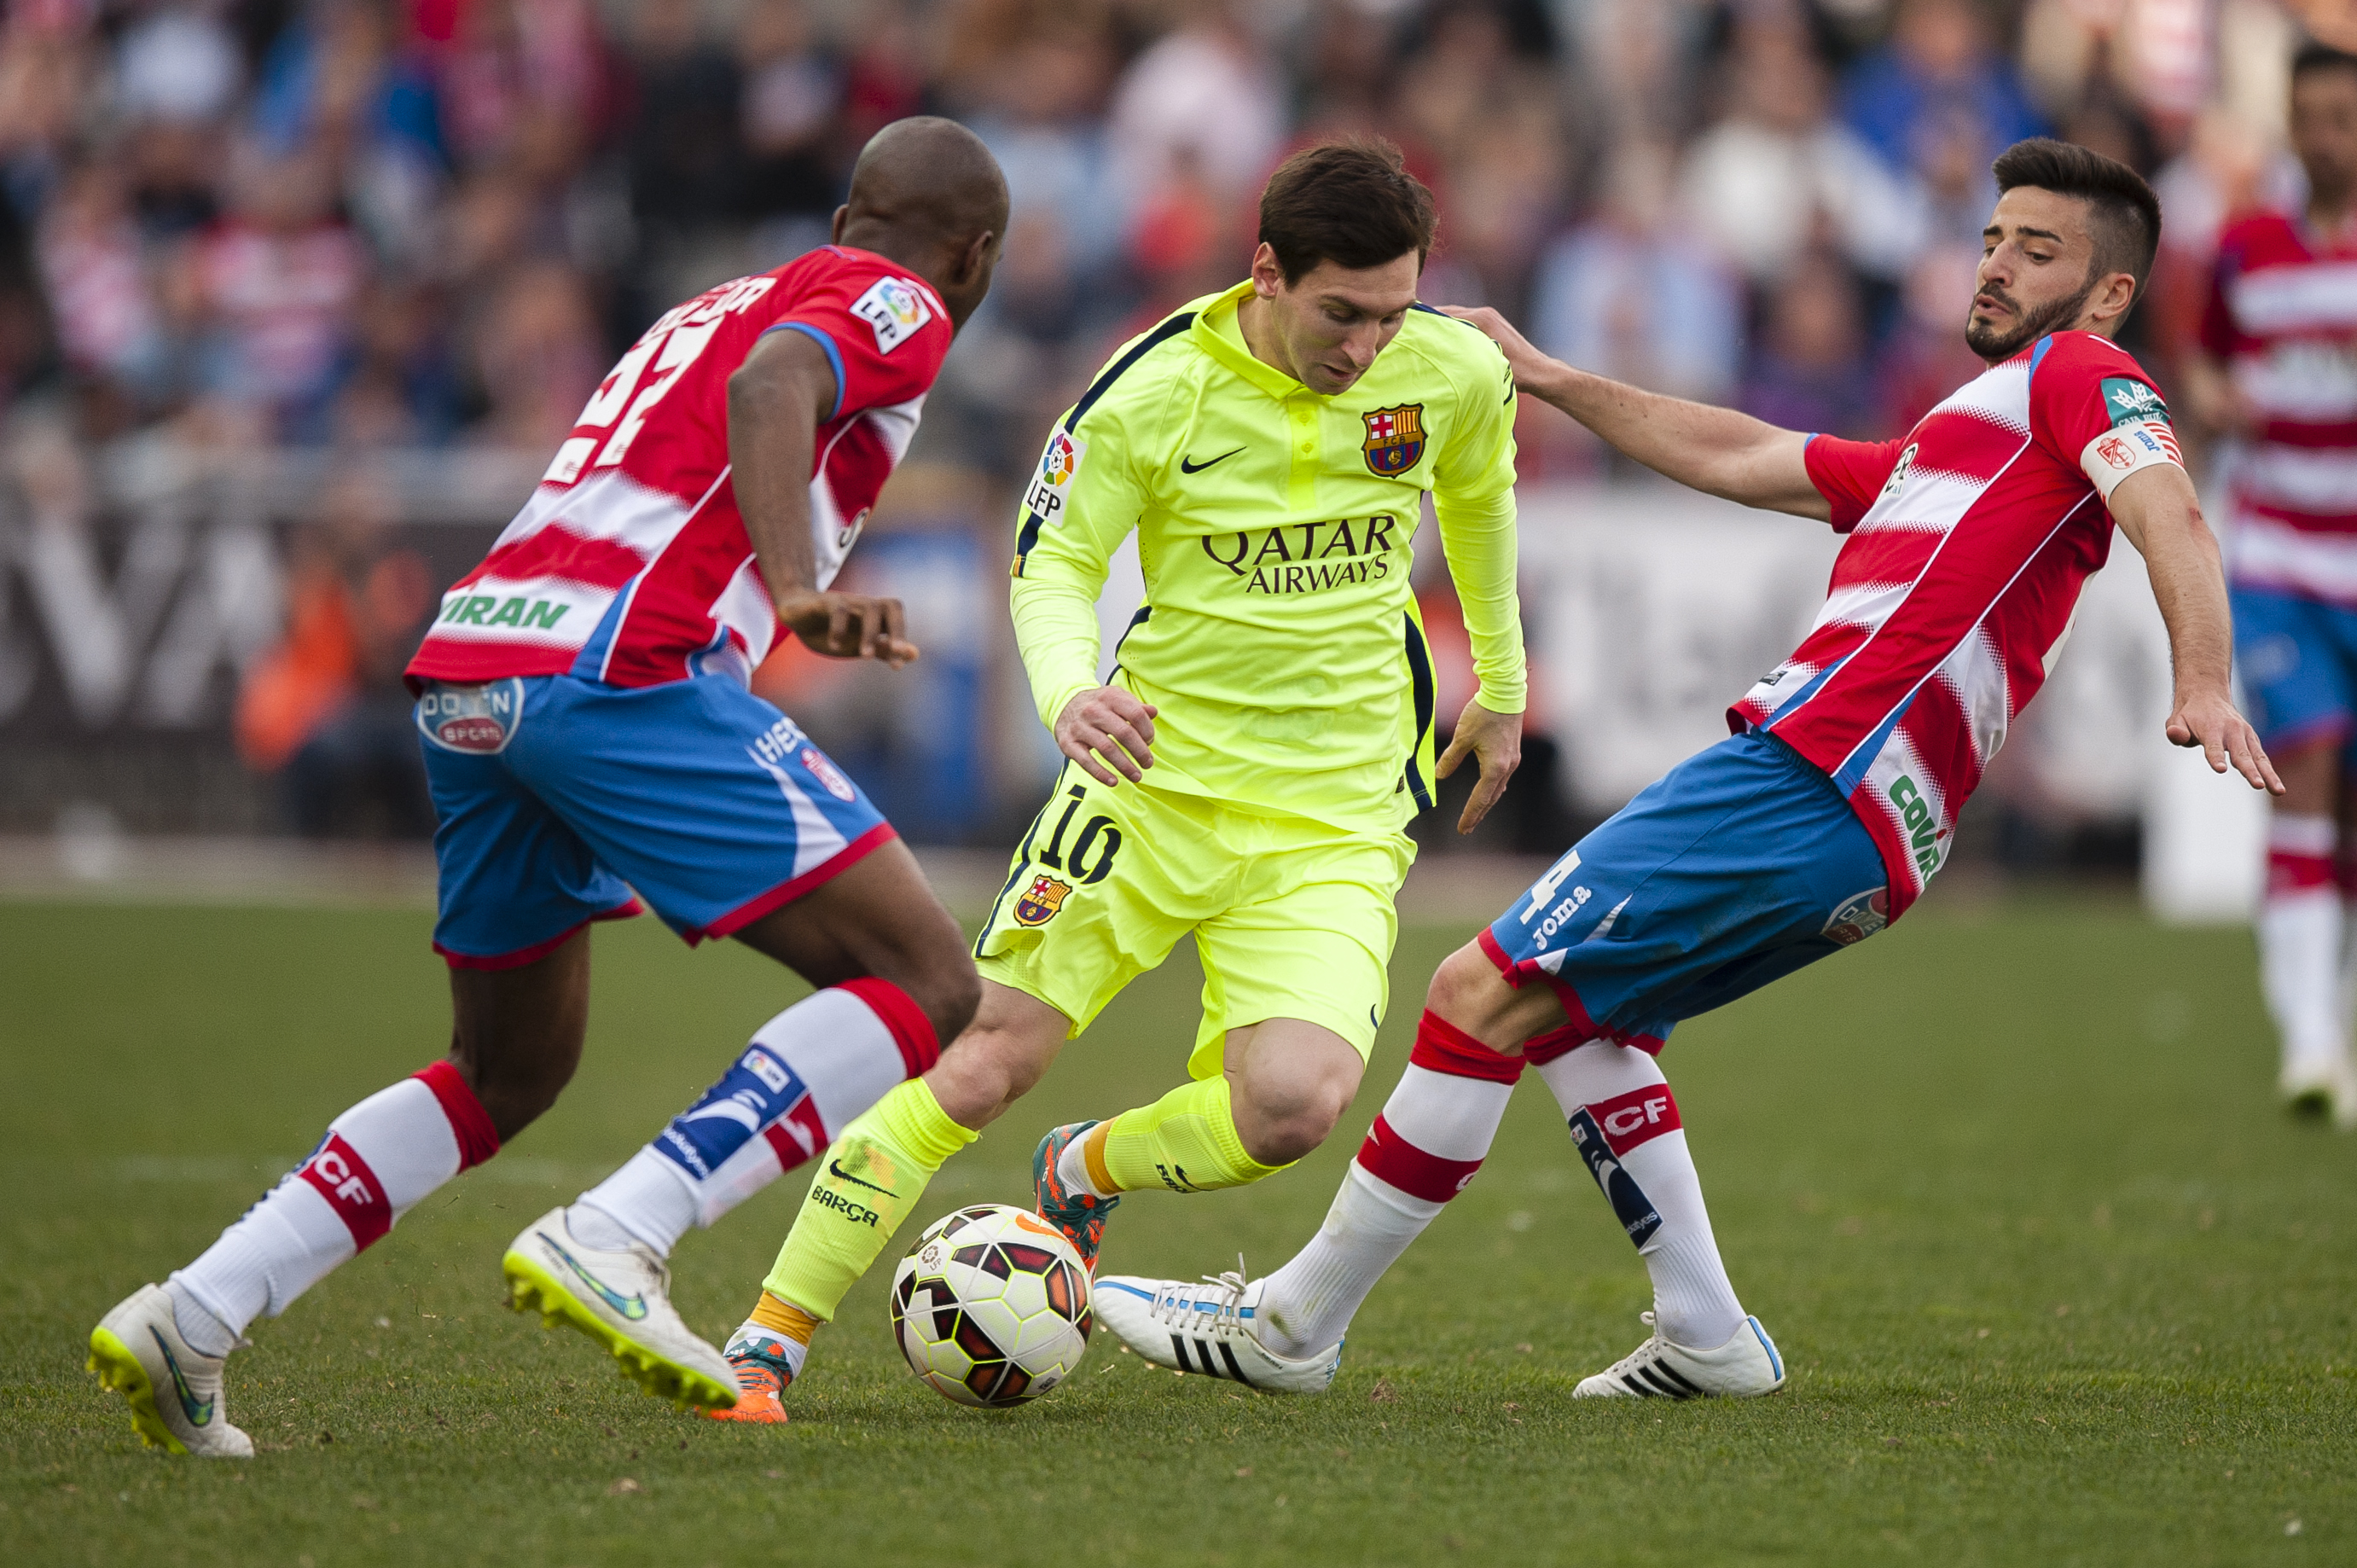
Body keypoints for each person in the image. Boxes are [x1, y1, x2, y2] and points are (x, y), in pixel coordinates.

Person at [1096, 137, 2283, 1397]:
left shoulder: (2081, 373)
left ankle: (1290, 1327)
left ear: (2107, 292)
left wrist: (2200, 676)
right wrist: (1550, 377)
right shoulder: (1963, 439)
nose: (1993, 264)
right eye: (1991, 237)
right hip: (1868, 828)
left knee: (1472, 990)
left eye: (2035, 250)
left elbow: (2171, 510)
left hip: (1813, 772)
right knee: (1577, 1021)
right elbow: (1742, 454)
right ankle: (1706, 1331)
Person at [85, 118, 1008, 1456]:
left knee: (506, 1066)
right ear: (972, 254)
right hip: (618, 667)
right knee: (926, 979)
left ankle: (196, 1311)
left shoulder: (711, 297)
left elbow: (720, 392)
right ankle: (624, 1227)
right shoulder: (899, 300)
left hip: (478, 665)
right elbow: (772, 392)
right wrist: (799, 589)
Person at [705, 138, 1526, 1422]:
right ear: (1266, 270)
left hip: (1335, 812)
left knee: (1293, 1107)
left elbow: (1478, 501)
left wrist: (1505, 685)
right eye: (1339, 313)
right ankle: (768, 1334)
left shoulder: (1453, 368)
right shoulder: (1147, 392)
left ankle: (1084, 1166)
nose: (1368, 344)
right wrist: (1066, 693)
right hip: (1147, 787)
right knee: (977, 1057)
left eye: (1390, 312)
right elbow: (1051, 566)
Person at [2181, 43, 2357, 1130]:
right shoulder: (2249, 249)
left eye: (2344, 113)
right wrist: (2220, 397)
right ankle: (2305, 1035)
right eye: (2313, 115)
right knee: (2309, 765)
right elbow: (2201, 361)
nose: (2328, 133)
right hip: (2283, 557)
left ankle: (2332, 1018)